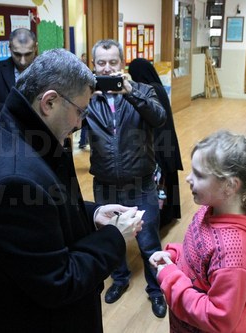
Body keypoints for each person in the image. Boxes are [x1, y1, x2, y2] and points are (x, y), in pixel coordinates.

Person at [0, 48, 143, 333]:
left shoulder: (8, 130)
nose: (80, 123)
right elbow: (58, 281)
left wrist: (93, 214)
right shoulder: (13, 180)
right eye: (80, 111)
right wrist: (114, 236)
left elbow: (42, 212)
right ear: (49, 102)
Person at [149, 130, 246, 332]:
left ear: (230, 185)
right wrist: (174, 255)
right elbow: (199, 255)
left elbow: (219, 319)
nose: (188, 179)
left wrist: (170, 277)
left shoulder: (235, 253)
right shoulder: (209, 209)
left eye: (199, 175)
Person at [86, 39, 168, 318]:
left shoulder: (143, 90)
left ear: (122, 63)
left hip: (141, 182)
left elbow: (159, 118)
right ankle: (119, 279)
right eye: (101, 63)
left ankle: (156, 290)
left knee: (148, 241)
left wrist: (131, 92)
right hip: (105, 183)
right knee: (111, 236)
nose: (107, 69)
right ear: (93, 65)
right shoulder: (88, 97)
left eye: (113, 62)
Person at [128, 58, 184, 227]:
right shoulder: (158, 87)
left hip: (158, 143)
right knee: (167, 179)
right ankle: (169, 214)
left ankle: (163, 218)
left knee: (160, 183)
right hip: (167, 141)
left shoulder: (150, 90)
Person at [0, 28, 37, 113]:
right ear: (10, 48)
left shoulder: (47, 70)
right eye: (17, 54)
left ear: (35, 48)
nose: (22, 61)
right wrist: (13, 108)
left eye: (28, 54)